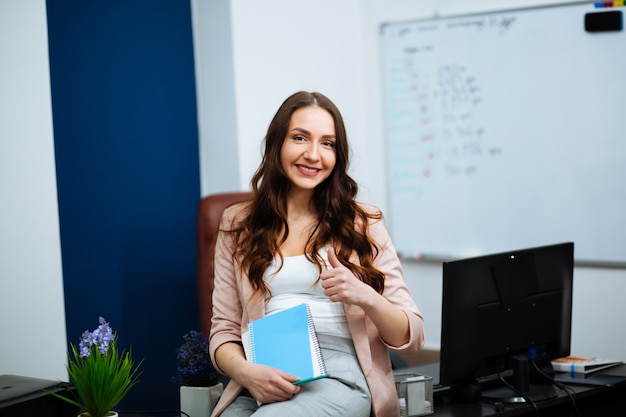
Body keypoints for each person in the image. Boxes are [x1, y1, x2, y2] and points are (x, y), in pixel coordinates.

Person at [209, 91, 425, 417]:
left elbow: (412, 336)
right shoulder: (238, 223)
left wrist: (364, 295)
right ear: (277, 143)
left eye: (327, 143)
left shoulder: (363, 223)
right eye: (300, 138)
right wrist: (245, 372)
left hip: (339, 372)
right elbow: (223, 330)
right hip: (260, 374)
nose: (313, 154)